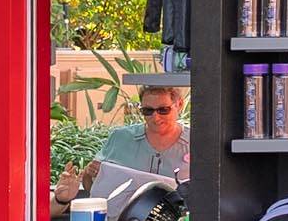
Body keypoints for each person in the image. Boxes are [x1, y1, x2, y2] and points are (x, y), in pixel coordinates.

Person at [56, 84, 189, 205]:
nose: (155, 117)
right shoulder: (120, 138)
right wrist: (89, 174)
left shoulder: (195, 141)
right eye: (148, 111)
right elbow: (93, 187)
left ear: (179, 104)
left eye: (163, 110)